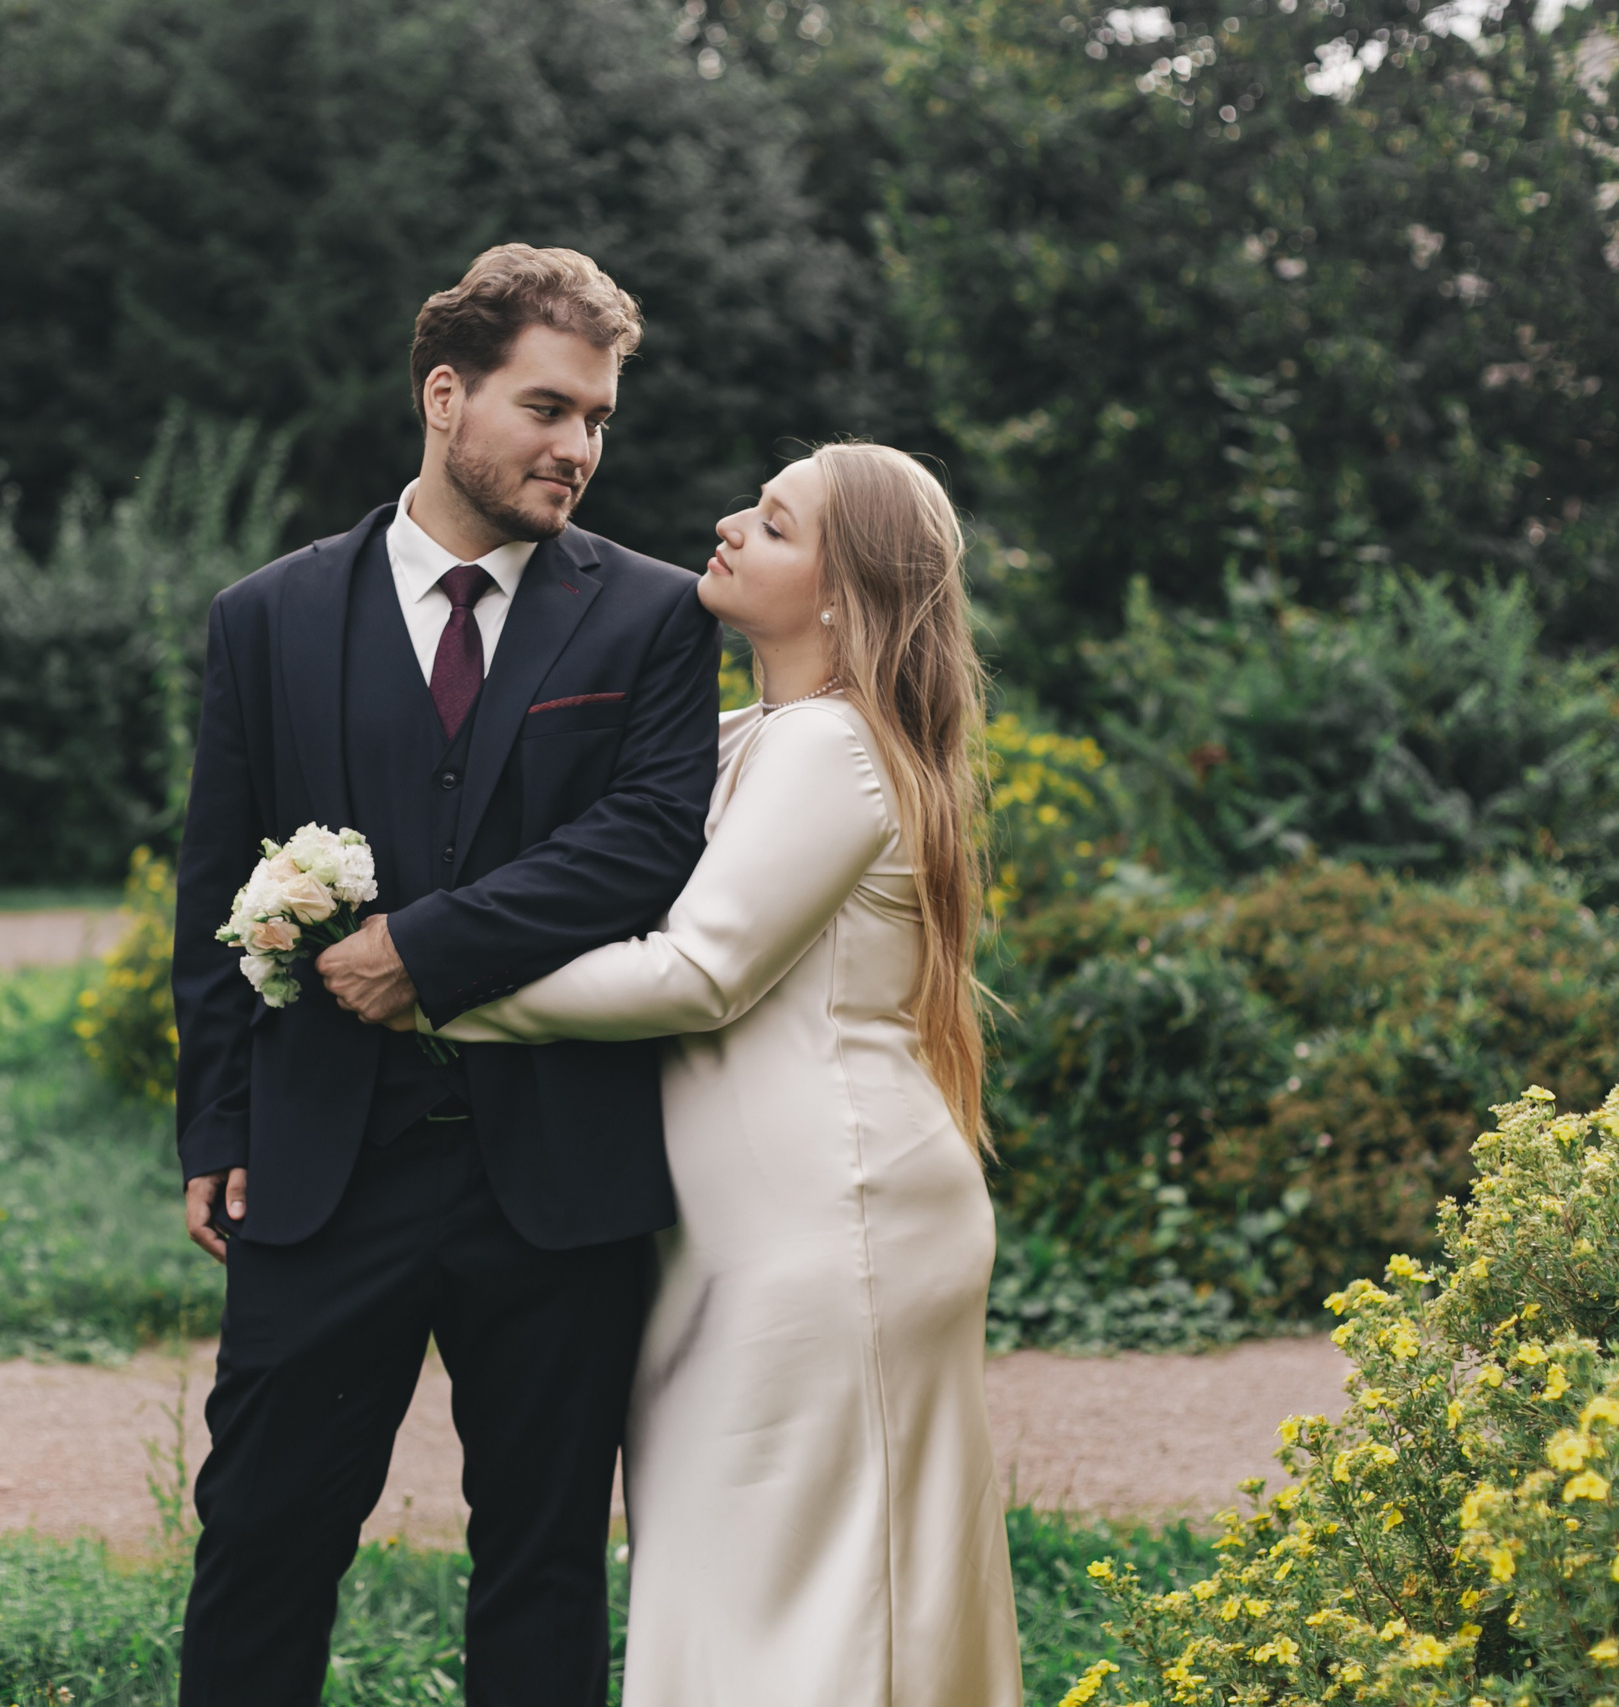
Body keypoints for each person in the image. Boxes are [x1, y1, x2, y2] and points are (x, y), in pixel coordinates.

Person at [165, 243, 720, 1706]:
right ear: (444, 393)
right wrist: (215, 1127)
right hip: (321, 1161)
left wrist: (426, 947)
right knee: (264, 1537)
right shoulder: (266, 617)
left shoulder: (652, 615)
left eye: (598, 418)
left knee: (539, 1563)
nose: (579, 448)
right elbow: (213, 878)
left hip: (559, 1176)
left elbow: (650, 840)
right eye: (548, 408)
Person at [409, 443, 1023, 1704]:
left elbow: (696, 973)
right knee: (743, 1578)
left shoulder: (831, 751)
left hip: (830, 1220)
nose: (730, 521)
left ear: (843, 596)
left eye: (778, 524)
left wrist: (434, 995)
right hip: (749, 1226)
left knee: (818, 1600)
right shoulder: (754, 735)